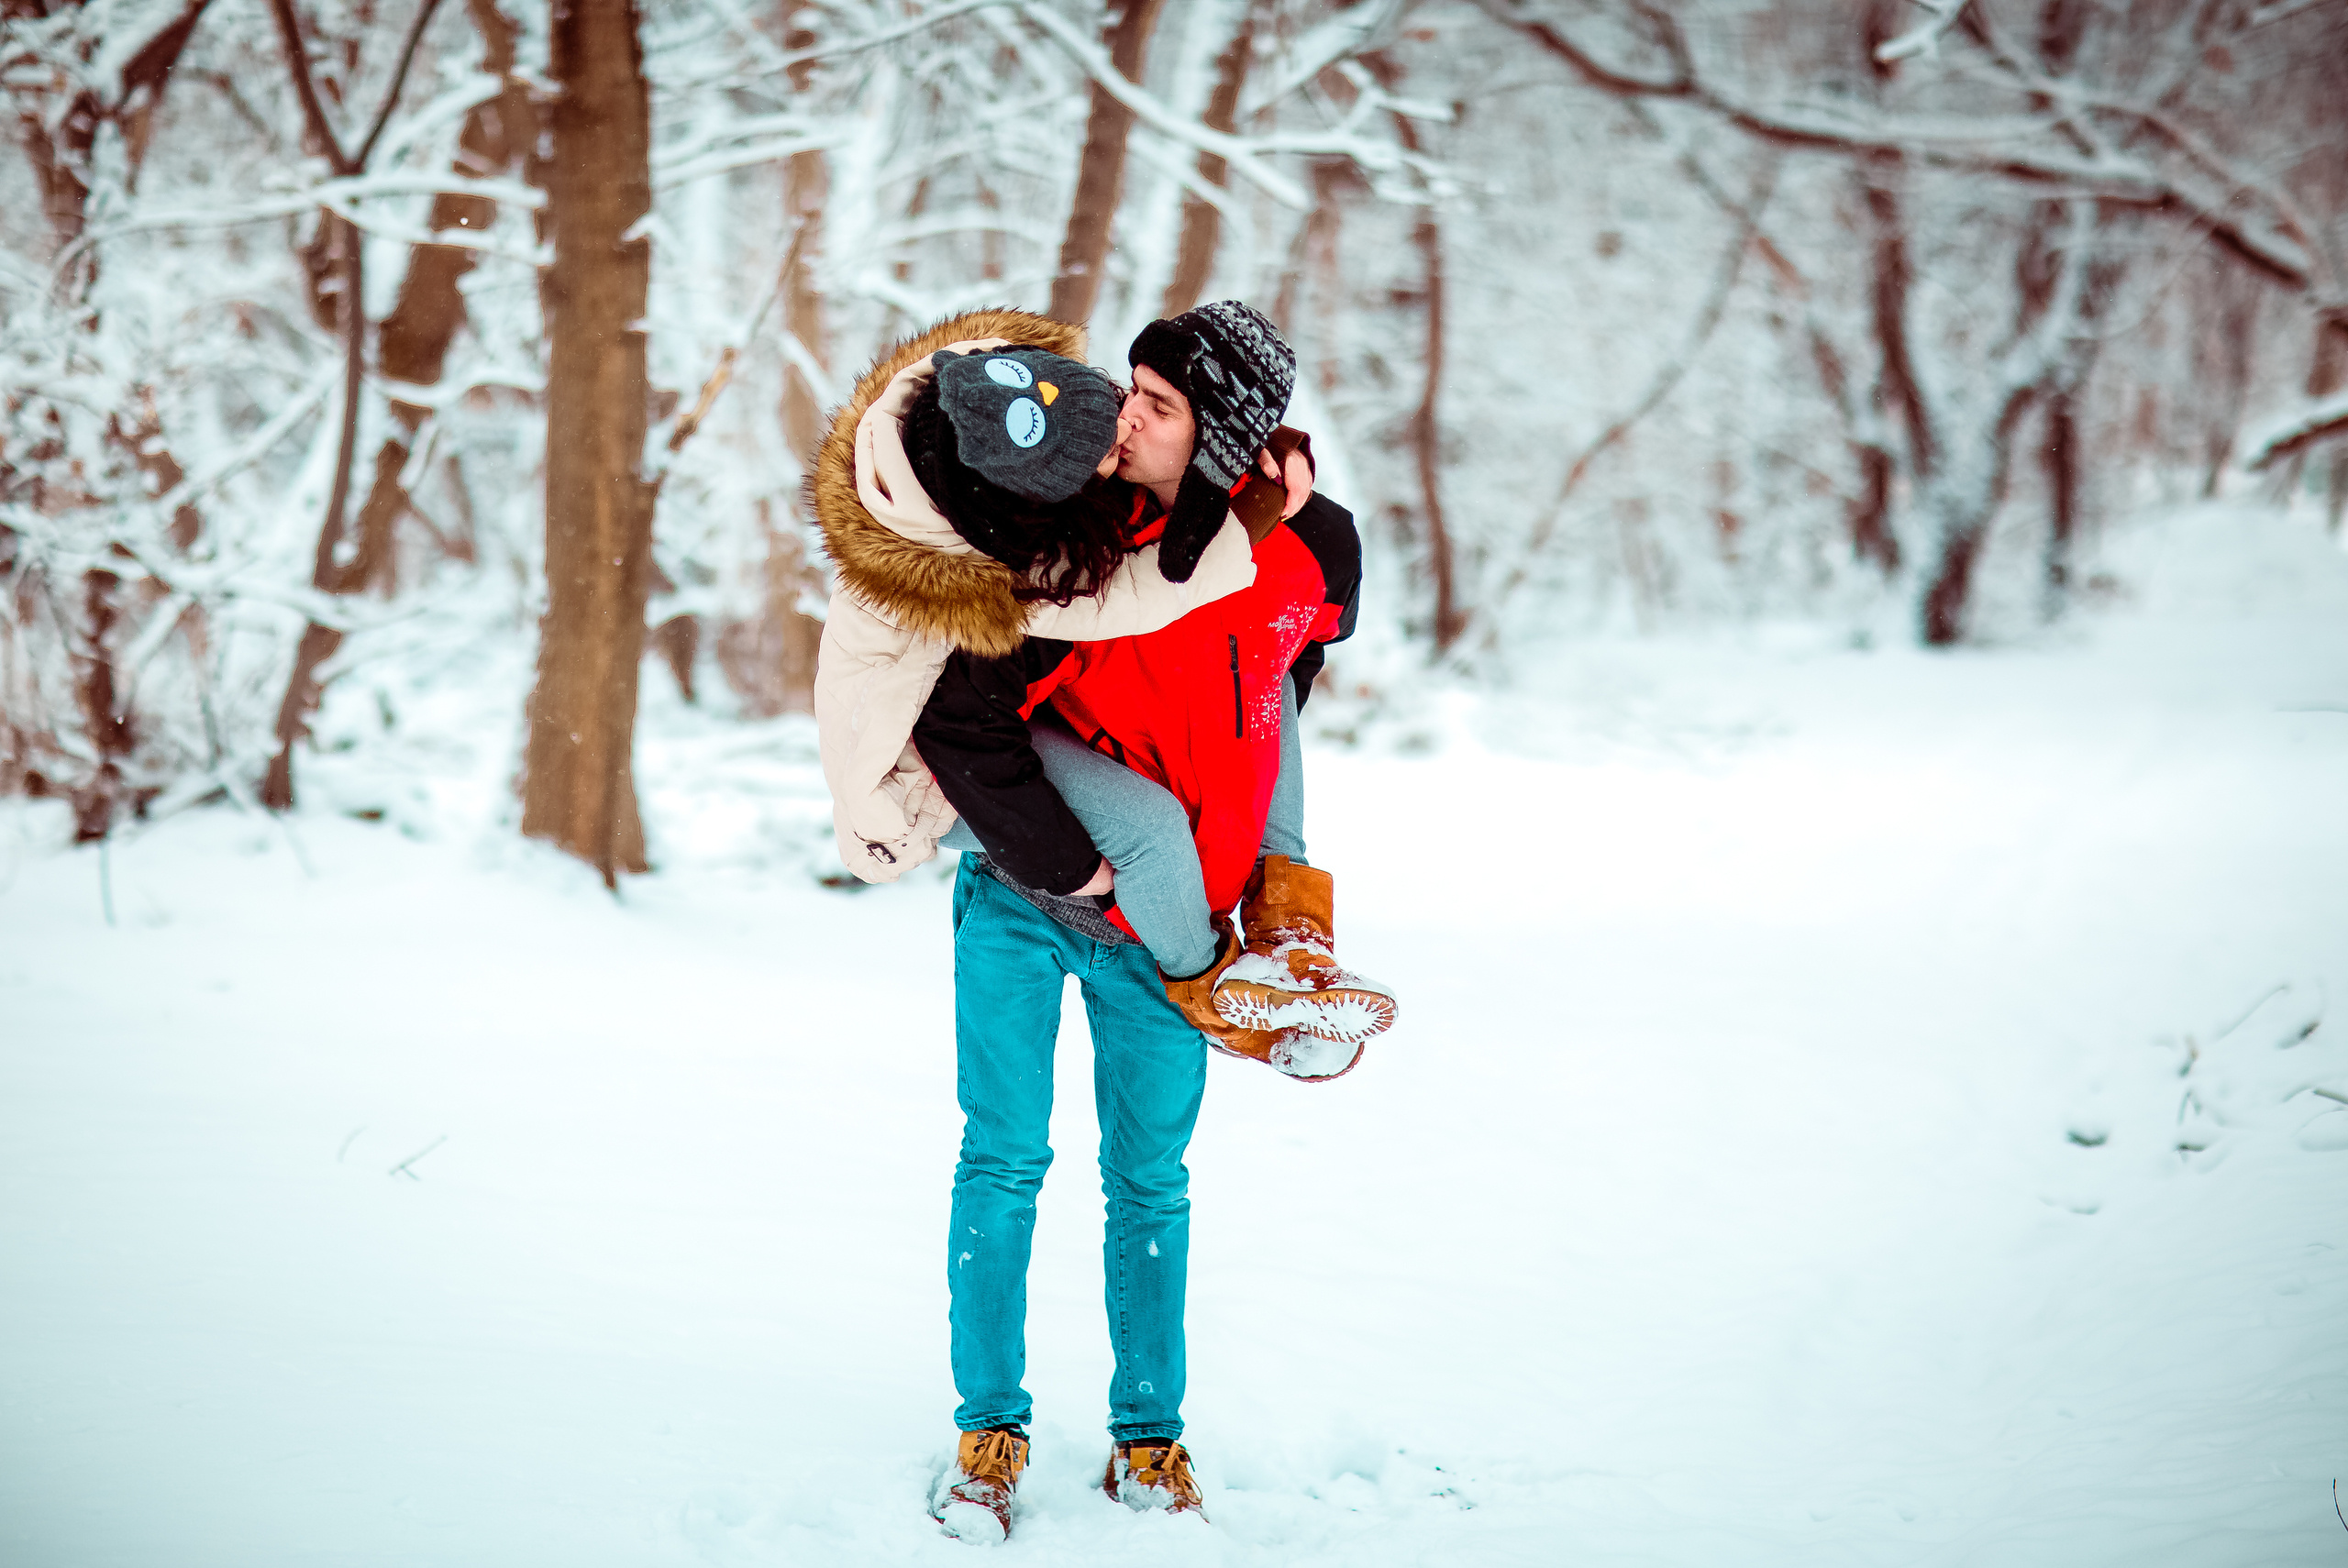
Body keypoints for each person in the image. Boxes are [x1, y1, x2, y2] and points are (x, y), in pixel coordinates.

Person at [807, 304, 1391, 1543]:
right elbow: (962, 711)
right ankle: (989, 1428)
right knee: (1004, 1159)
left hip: (1165, 923)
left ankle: (1150, 1438)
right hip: (1027, 897)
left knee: (1150, 1184)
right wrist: (1076, 869)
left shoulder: (1295, 550)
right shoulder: (1059, 527)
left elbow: (1289, 677)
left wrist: (1270, 865)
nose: (1122, 416)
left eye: (1158, 405)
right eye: (1128, 387)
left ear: (1224, 443)